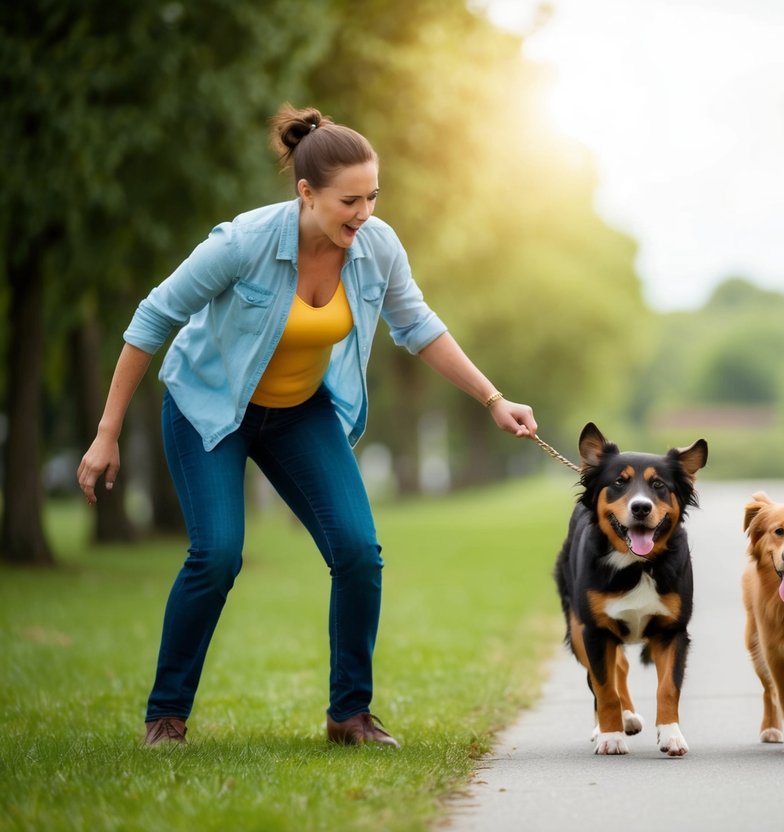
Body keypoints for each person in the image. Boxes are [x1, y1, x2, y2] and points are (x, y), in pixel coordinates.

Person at [76, 104, 538, 748]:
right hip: (211, 406)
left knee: (357, 551)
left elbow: (418, 327)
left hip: (300, 411)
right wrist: (107, 433)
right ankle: (166, 715)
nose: (364, 213)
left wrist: (494, 399)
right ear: (306, 193)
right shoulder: (243, 243)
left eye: (373, 196)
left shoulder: (375, 247)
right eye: (350, 200)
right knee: (216, 555)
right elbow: (151, 321)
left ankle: (349, 714)